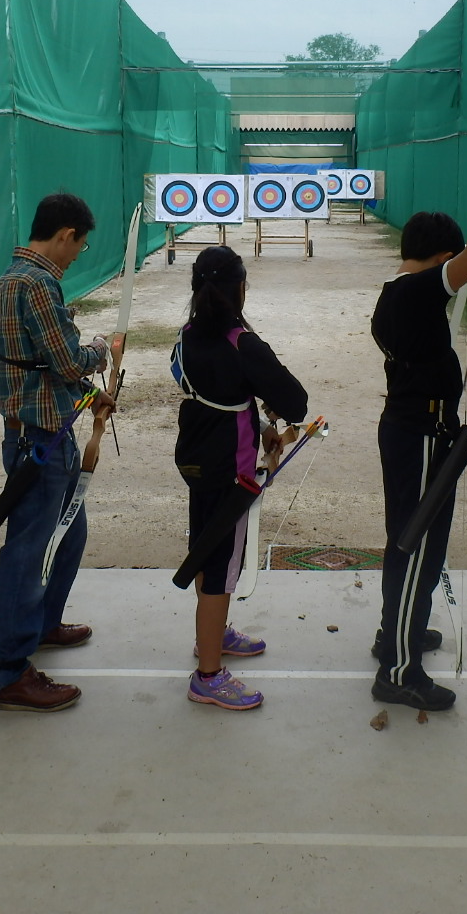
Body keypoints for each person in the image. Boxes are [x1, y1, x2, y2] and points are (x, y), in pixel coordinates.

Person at [369, 175, 467, 712]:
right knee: (417, 548)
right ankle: (398, 671)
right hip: (419, 435)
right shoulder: (416, 292)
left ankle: (396, 633)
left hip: (416, 431)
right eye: (449, 264)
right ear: (441, 258)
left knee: (407, 542)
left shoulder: (396, 293)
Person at [0, 193, 114, 713]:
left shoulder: (13, 277)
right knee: (28, 550)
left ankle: (41, 624)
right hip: (37, 439)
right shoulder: (37, 283)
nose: (78, 254)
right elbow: (66, 360)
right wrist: (102, 349)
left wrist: (88, 395)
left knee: (70, 533)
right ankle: (13, 672)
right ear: (65, 235)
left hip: (42, 429)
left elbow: (32, 363)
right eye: (79, 245)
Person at [173, 246, 308, 711]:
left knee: (206, 551)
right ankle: (208, 675)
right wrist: (271, 412)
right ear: (240, 289)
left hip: (196, 459)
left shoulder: (187, 335)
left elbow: (217, 392)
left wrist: (262, 422)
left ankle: (212, 634)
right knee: (220, 567)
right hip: (230, 470)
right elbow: (296, 401)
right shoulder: (241, 342)